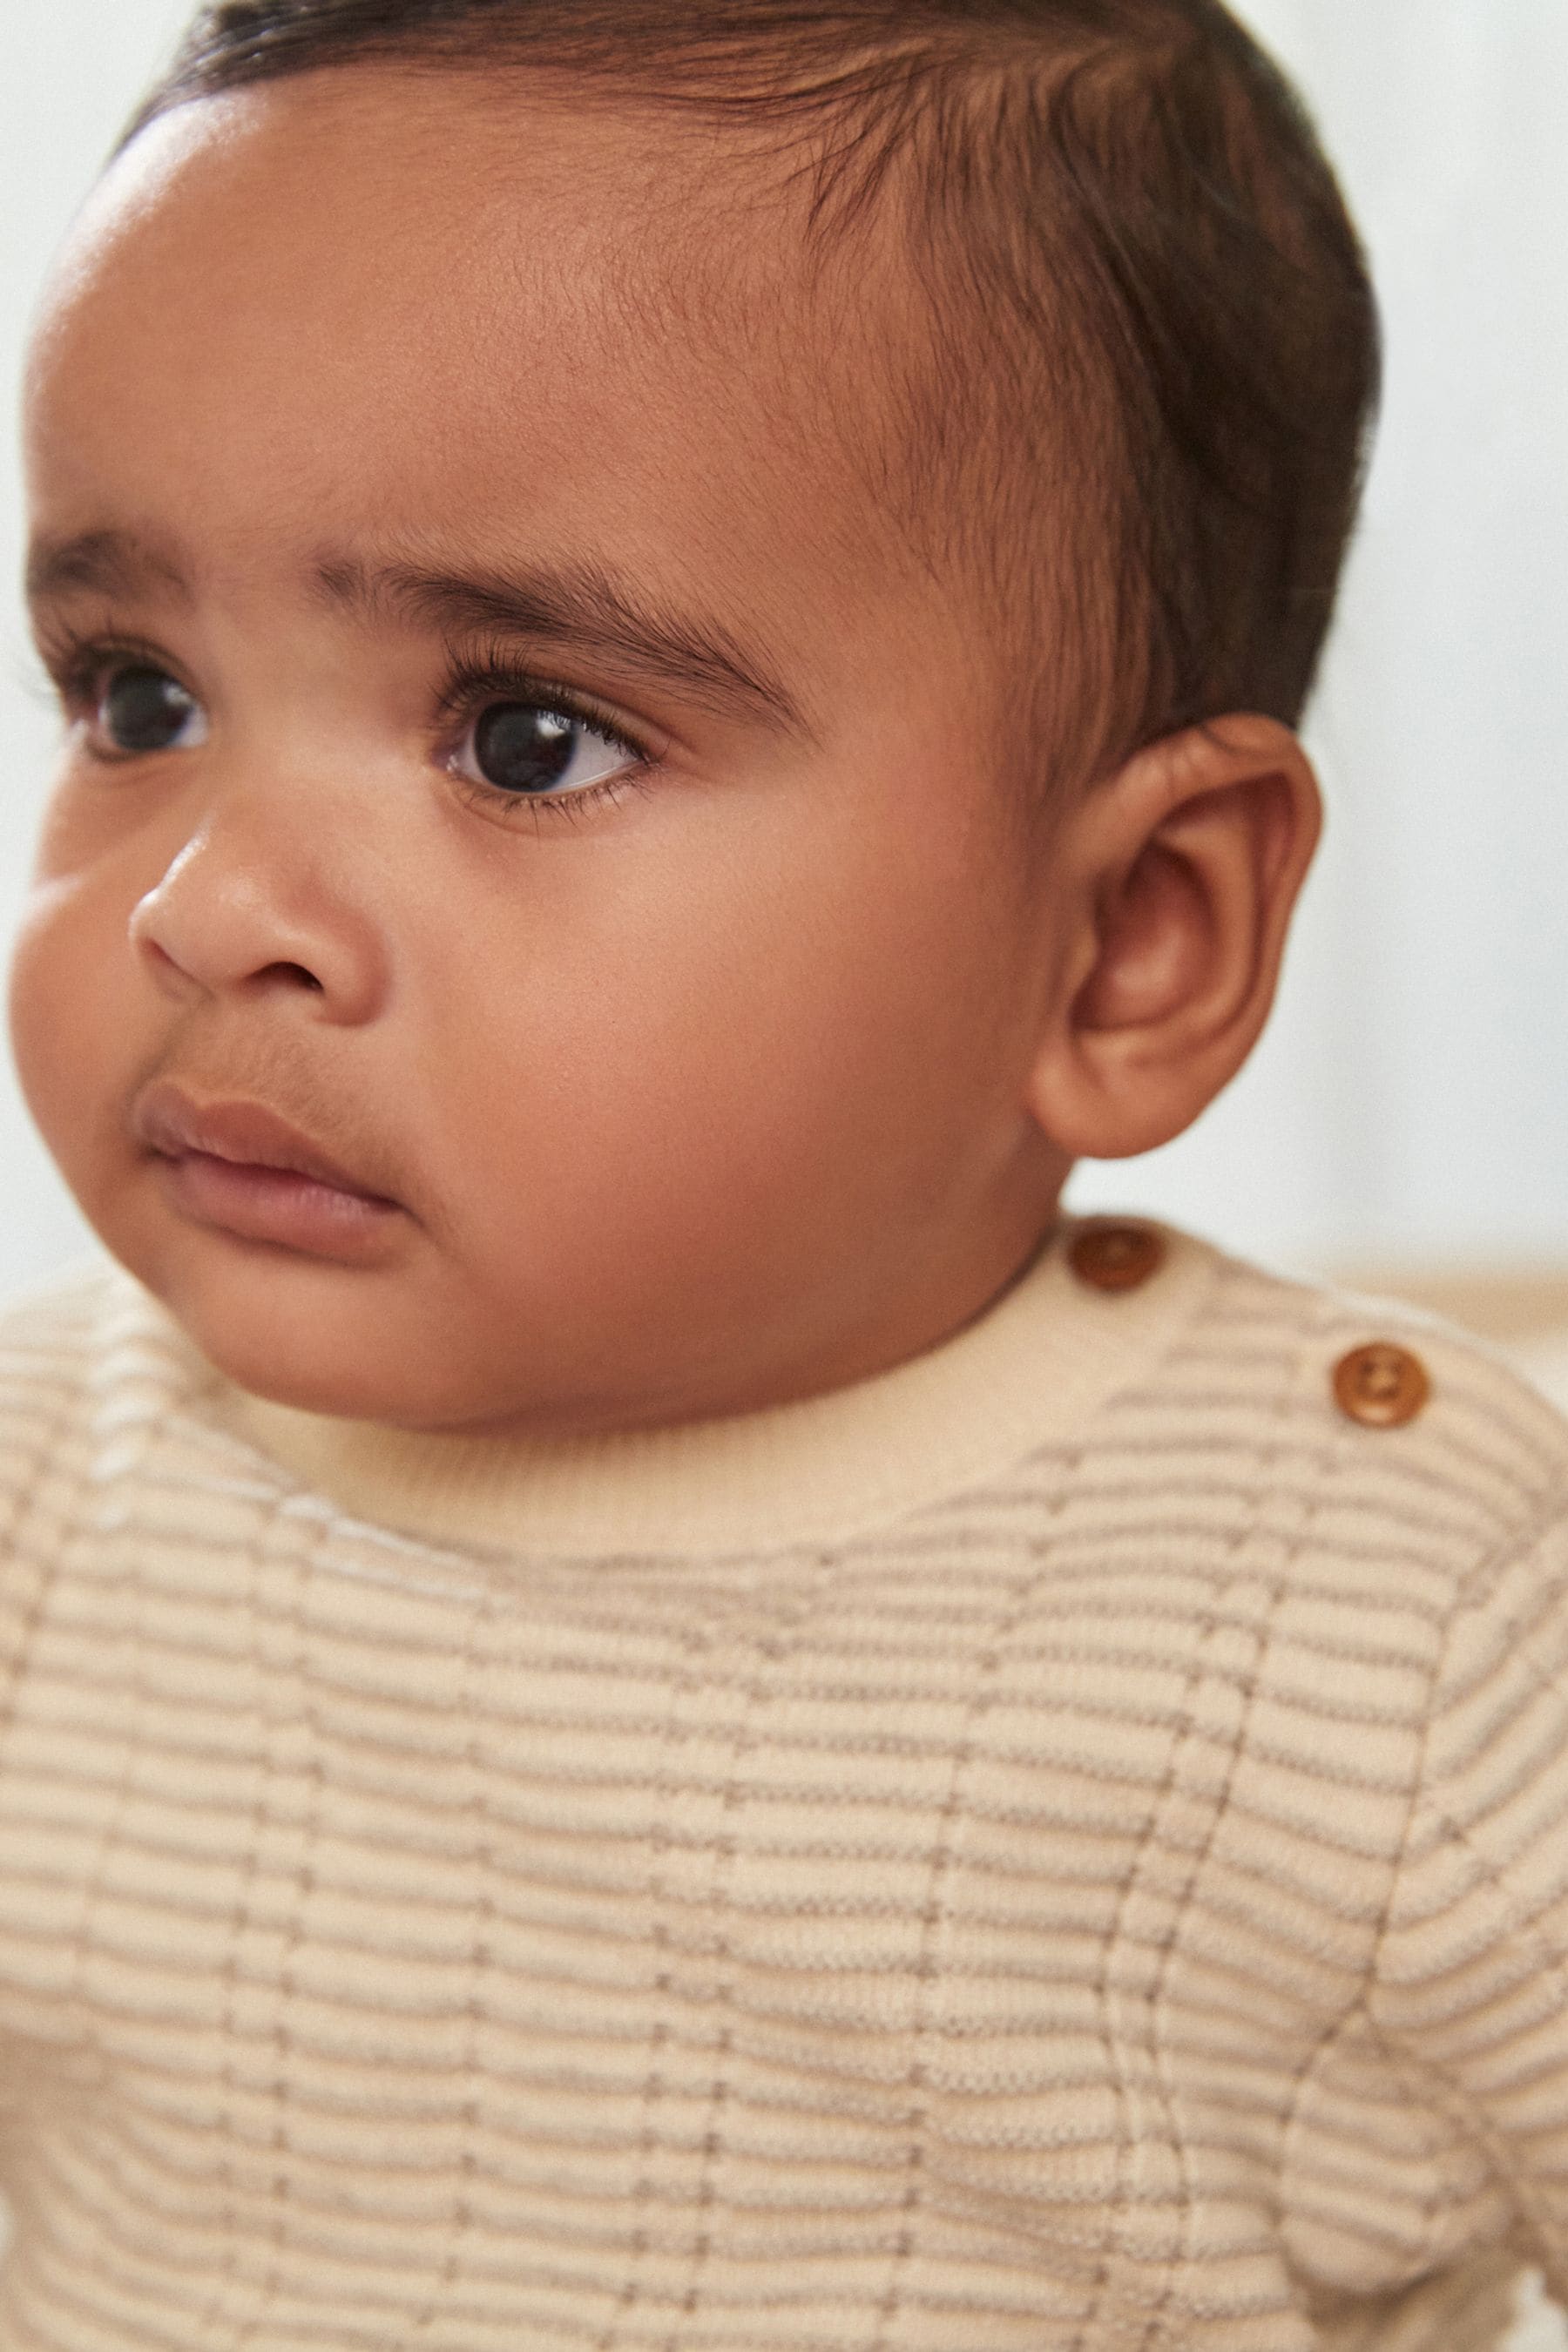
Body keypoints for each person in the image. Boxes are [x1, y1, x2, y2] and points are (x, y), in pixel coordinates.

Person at [1, 1, 1564, 2344]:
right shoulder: (43, 1502)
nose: (206, 901)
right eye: (137, 693)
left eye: (526, 736)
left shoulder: (1396, 1622)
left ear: (1131, 934)